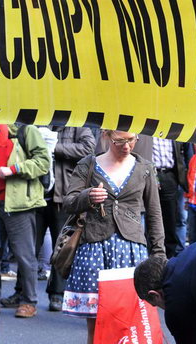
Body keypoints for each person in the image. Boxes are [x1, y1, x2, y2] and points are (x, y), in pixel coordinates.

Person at [62, 129, 165, 344]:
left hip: (131, 251)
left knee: (132, 323)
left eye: (131, 140)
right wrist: (87, 196)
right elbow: (68, 203)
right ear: (106, 136)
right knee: (97, 325)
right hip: (94, 250)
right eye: (119, 141)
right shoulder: (88, 164)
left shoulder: (145, 168)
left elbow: (154, 214)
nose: (126, 146)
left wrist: (159, 257)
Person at [0, 123, 50, 319]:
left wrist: (14, 169)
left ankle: (29, 301)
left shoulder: (26, 130)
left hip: (19, 204)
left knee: (24, 255)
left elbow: (43, 162)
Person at [35, 126, 95, 312]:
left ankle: (57, 293)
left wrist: (54, 147)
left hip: (63, 196)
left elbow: (89, 148)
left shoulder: (77, 125)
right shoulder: (38, 123)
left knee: (61, 247)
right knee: (29, 248)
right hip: (35, 194)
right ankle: (22, 293)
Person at [151, 137, 187, 258]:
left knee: (170, 218)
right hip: (150, 174)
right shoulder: (146, 132)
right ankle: (152, 255)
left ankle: (170, 257)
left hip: (169, 175)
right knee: (150, 215)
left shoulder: (172, 132)